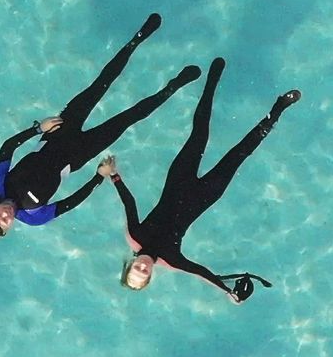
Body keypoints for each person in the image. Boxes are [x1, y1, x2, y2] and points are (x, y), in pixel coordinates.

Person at [0, 14, 199, 242]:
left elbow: (8, 147)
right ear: (9, 228)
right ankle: (173, 86)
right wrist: (98, 177)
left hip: (56, 133)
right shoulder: (34, 217)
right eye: (4, 222)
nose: (4, 215)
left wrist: (39, 129)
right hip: (78, 155)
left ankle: (137, 39)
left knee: (100, 85)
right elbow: (73, 201)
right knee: (128, 118)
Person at [99, 58, 298, 301]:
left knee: (199, 133)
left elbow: (129, 204)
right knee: (240, 153)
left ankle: (211, 83)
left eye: (135, 270)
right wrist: (228, 292)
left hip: (177, 180)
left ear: (129, 265)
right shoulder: (171, 260)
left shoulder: (134, 235)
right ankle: (278, 109)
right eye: (144, 274)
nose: (142, 268)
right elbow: (201, 273)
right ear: (151, 275)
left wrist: (114, 176)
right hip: (206, 195)